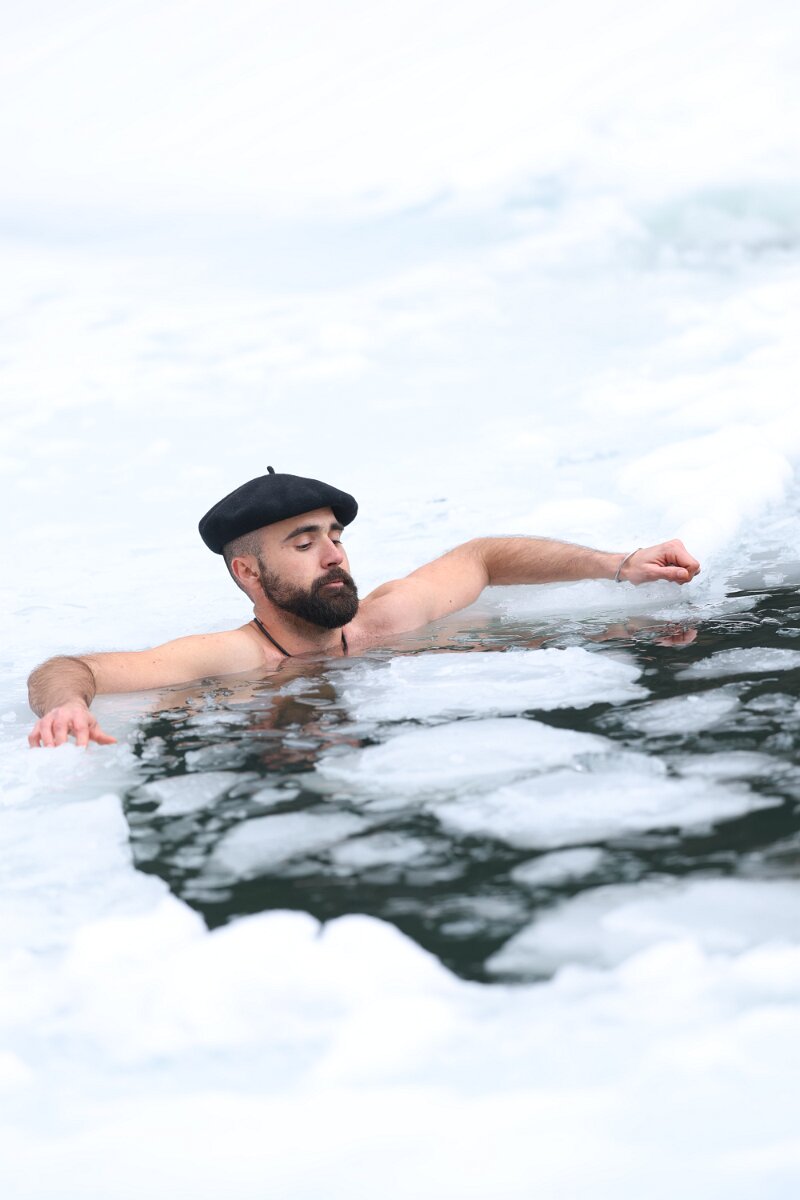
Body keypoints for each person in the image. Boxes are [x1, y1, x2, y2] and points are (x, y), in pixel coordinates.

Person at [27, 467, 701, 748]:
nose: (333, 556)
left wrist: (618, 564)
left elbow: (484, 557)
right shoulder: (237, 656)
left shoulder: (385, 619)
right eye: (304, 544)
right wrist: (66, 707)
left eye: (336, 537)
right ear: (247, 571)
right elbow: (70, 668)